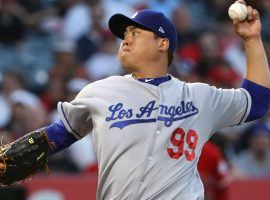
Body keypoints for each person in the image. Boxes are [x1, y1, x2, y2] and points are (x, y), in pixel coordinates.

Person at [1, 0, 270, 199]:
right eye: (124, 35)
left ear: (162, 44)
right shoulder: (99, 91)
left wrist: (252, 39)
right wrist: (11, 159)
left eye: (135, 33)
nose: (125, 40)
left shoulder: (199, 96)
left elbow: (256, 101)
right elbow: (58, 135)